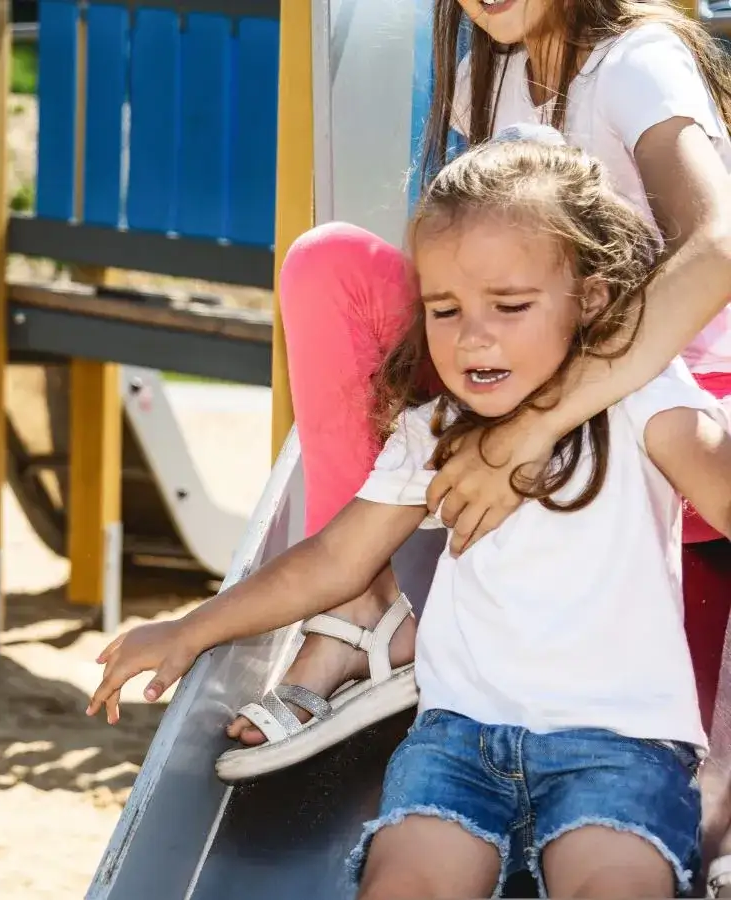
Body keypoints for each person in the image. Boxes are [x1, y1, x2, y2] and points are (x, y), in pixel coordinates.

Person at [87, 134, 731, 899]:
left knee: (615, 886)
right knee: (403, 885)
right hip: (459, 742)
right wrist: (191, 629)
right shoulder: (434, 429)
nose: (474, 335)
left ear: (589, 298)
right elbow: (334, 561)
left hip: (617, 750)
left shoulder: (640, 400)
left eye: (510, 306)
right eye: (445, 309)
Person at [221, 0, 731, 787]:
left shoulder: (638, 60)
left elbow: (719, 244)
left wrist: (530, 426)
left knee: (670, 780)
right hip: (545, 370)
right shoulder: (484, 76)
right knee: (333, 266)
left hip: (665, 408)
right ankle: (363, 603)